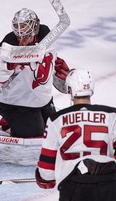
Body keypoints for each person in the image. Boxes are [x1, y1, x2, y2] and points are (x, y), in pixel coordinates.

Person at [0, 8, 70, 138]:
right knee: (37, 141)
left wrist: (55, 65)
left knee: (56, 134)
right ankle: (6, 126)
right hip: (16, 103)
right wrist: (11, 63)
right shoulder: (9, 44)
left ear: (35, 28)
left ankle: (6, 124)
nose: (22, 40)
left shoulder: (47, 36)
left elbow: (47, 56)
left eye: (26, 34)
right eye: (19, 34)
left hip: (42, 100)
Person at [35, 69, 116, 201]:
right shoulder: (112, 115)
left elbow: (46, 172)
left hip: (73, 187)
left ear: (70, 89)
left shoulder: (56, 119)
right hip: (108, 186)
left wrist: (44, 179)